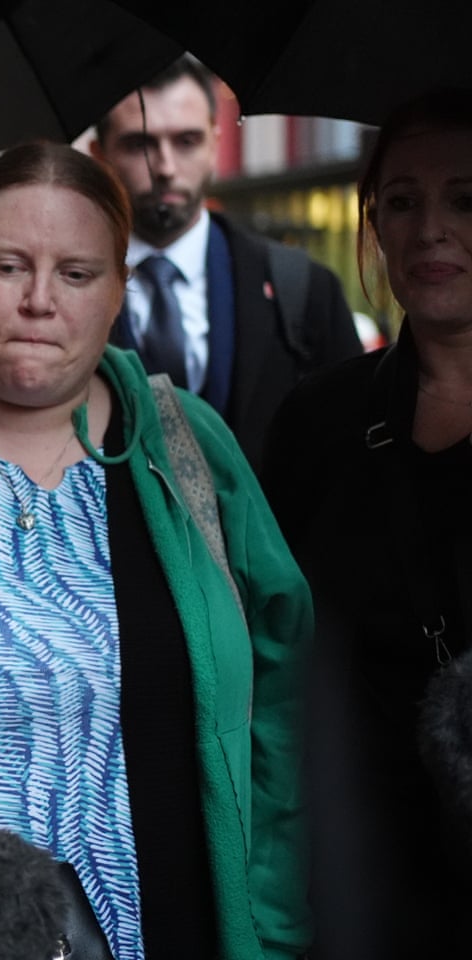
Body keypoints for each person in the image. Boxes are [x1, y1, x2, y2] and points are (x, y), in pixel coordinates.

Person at [0, 141, 312, 960]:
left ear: (118, 290)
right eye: (8, 267)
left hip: (173, 928)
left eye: (76, 274)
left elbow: (282, 705)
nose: (39, 301)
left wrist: (276, 927)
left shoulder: (187, 448)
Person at [262, 89, 472, 960]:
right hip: (359, 886)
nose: (431, 230)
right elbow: (273, 653)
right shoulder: (319, 422)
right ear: (374, 225)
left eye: (466, 199)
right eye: (402, 201)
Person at [90, 56, 362, 470]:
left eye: (186, 141)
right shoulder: (63, 291)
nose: (164, 167)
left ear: (215, 144)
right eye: (140, 144)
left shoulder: (303, 288)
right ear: (99, 156)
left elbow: (349, 446)